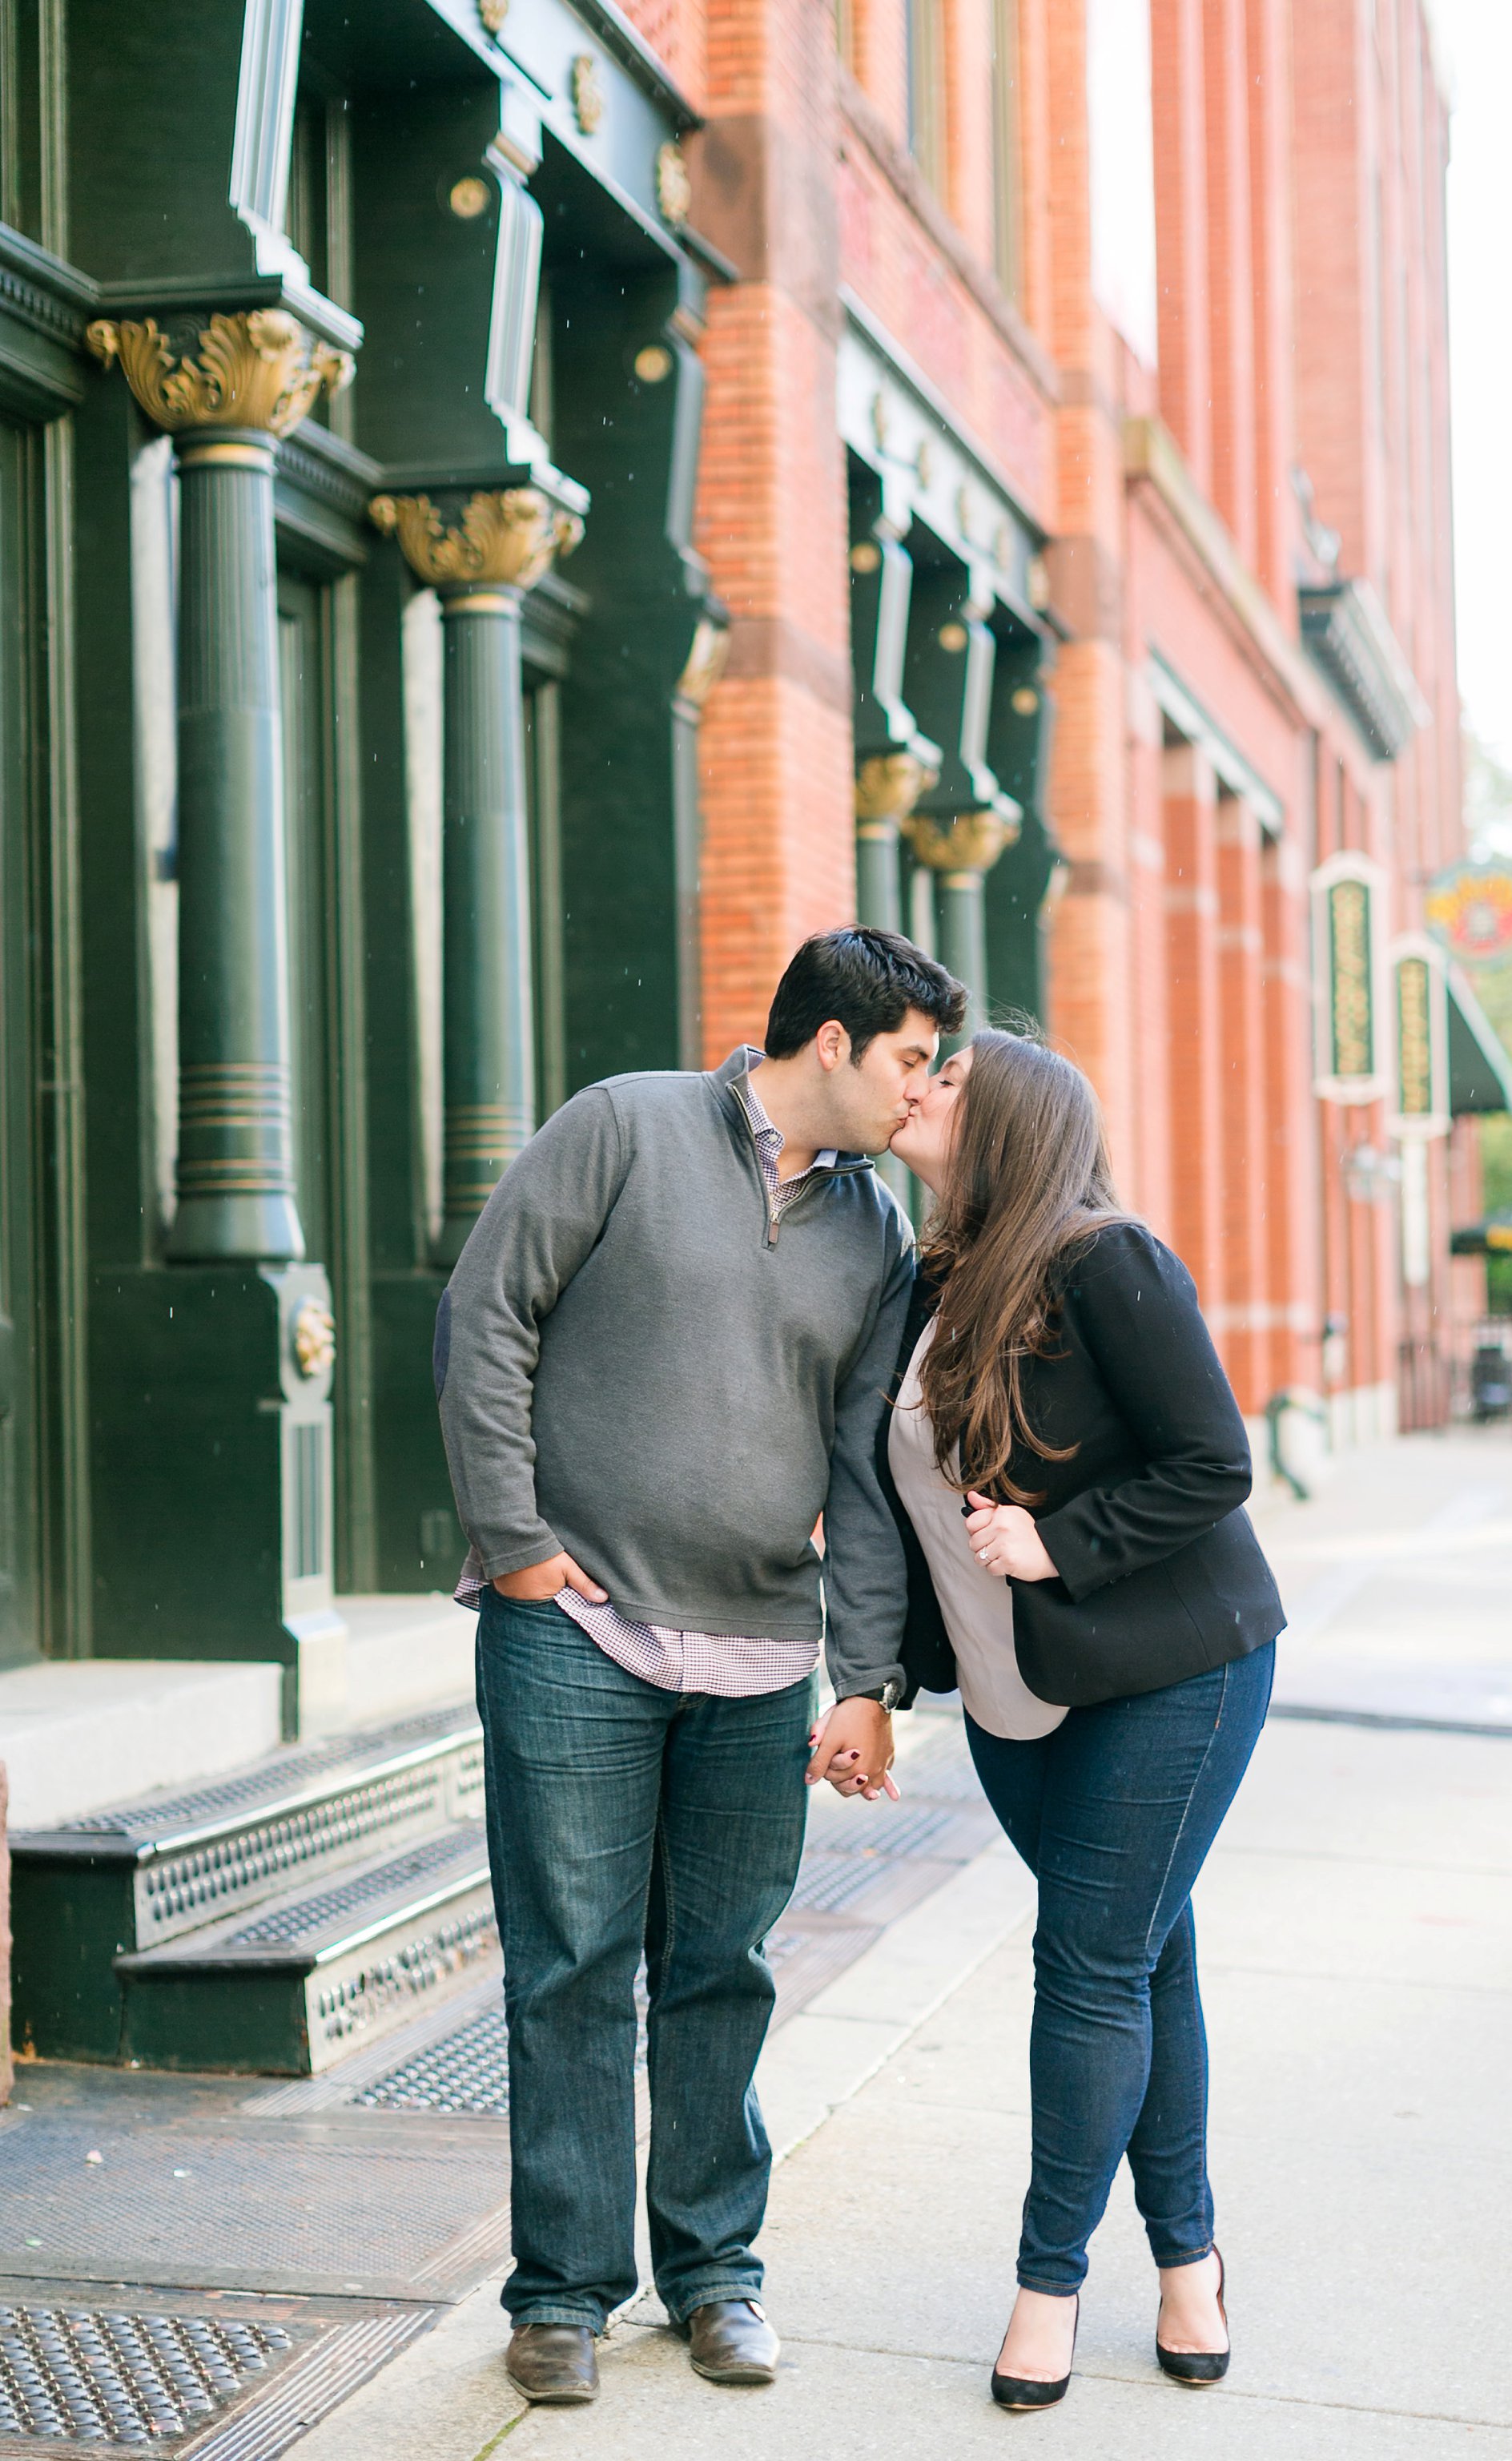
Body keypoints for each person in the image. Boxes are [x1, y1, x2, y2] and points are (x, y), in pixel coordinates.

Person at [434, 928, 965, 2408]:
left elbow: (865, 1470)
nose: (924, 1094)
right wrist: (517, 1541)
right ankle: (563, 2297)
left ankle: (716, 2276)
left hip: (758, 1654)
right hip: (575, 1634)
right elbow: (487, 1320)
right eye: (914, 1061)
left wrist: (864, 1671)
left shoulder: (875, 1233)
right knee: (573, 1968)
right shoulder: (622, 1124)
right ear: (835, 1041)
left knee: (720, 1971)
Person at [882, 1029, 1284, 2411]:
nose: (917, 1091)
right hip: (1013, 1692)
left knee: (1089, 1963)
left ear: (1006, 1126)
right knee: (1142, 1955)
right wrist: (878, 1678)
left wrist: (1065, 1543)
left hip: (1171, 1663)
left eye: (945, 1081)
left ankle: (1048, 2285)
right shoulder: (932, 1277)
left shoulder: (1104, 1259)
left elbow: (1214, 1460)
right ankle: (1192, 2263)